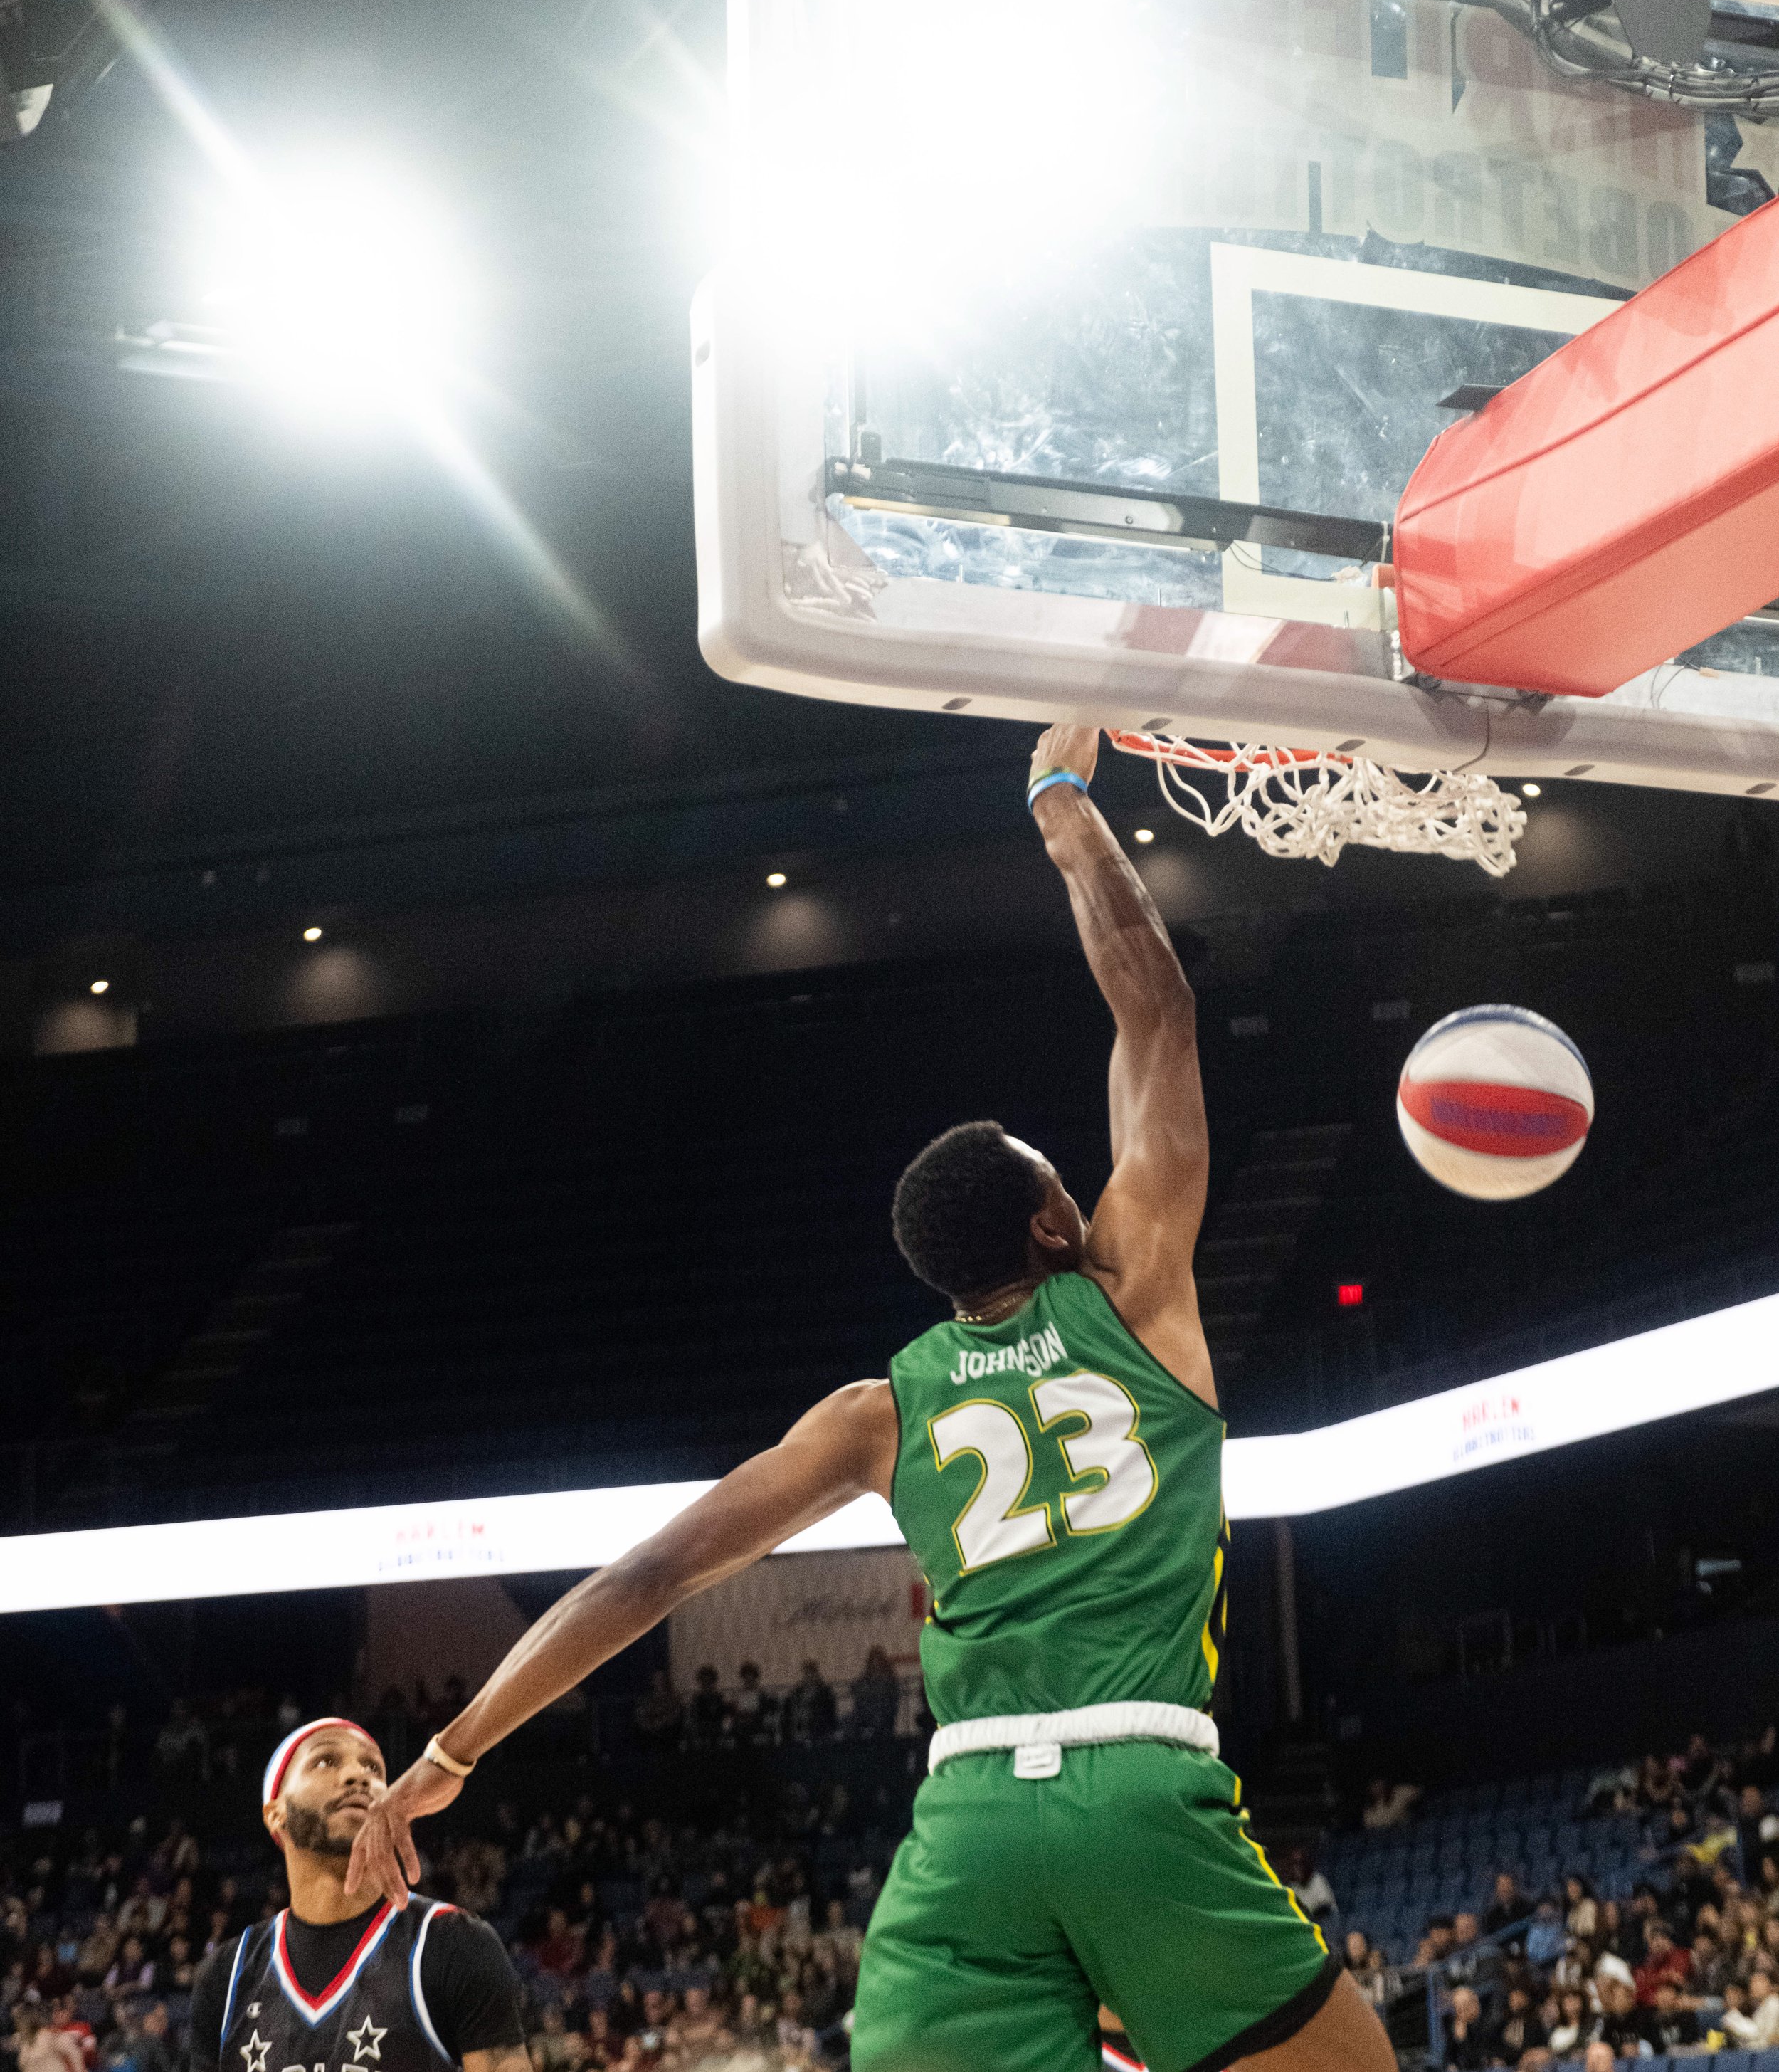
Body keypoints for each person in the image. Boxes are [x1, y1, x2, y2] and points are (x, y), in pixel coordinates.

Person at [344, 727, 1398, 2072]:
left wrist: (457, 1743)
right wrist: (1064, 810)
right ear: (1049, 1218)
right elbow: (1159, 1010)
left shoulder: (875, 1412)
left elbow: (655, 1571)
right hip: (1140, 1787)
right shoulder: (1135, 1284)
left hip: (966, 1828)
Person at [187, 1719, 529, 2072]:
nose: (358, 1776)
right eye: (325, 1761)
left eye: (373, 1768)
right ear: (276, 1815)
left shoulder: (454, 1941)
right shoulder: (227, 1975)